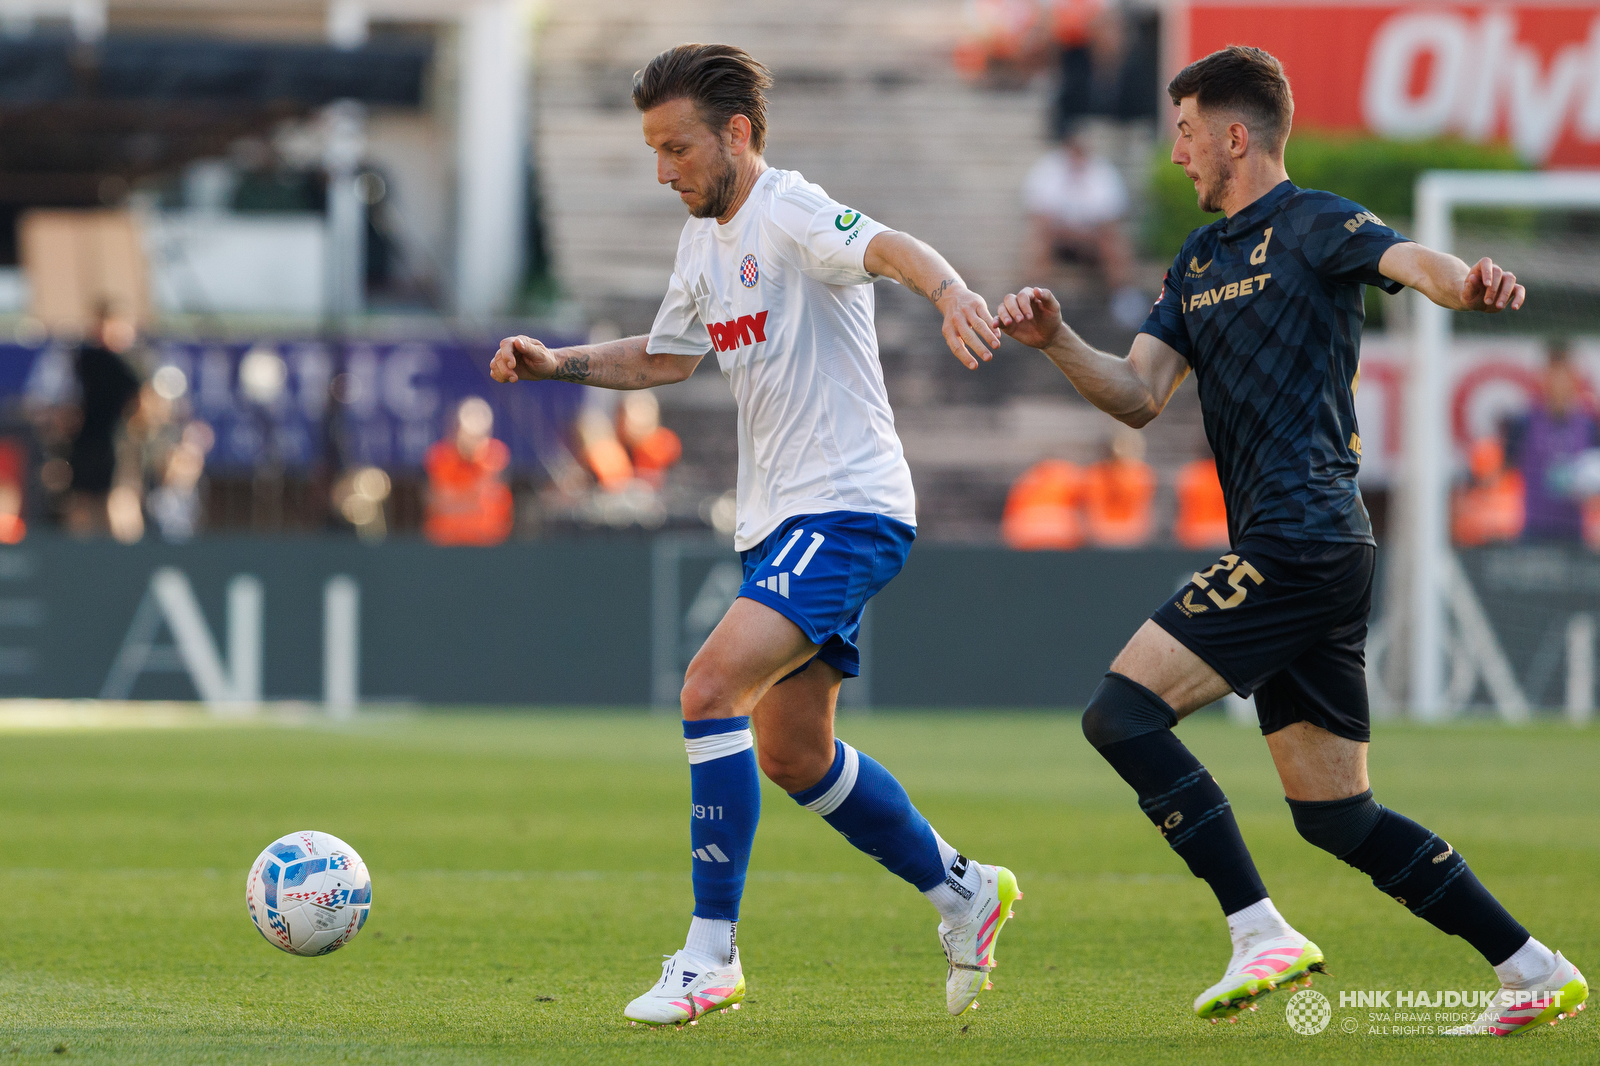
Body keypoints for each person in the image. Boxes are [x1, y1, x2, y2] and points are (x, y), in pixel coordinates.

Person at [994, 45, 1588, 1035]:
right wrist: (1055, 339)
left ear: (1235, 136)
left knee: (1120, 714)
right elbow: (1138, 394)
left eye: (1186, 133)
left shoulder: (1316, 222)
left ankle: (1256, 929)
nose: (1176, 153)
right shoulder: (1197, 261)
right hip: (1310, 549)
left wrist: (1468, 283)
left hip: (1301, 537)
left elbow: (1414, 264)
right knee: (1335, 816)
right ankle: (1532, 969)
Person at [490, 44, 1020, 1026]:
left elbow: (891, 245)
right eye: (653, 151)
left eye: (677, 148)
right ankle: (964, 889)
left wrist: (951, 294)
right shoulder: (703, 244)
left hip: (847, 507)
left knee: (707, 688)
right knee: (794, 753)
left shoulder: (789, 210)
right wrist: (557, 361)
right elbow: (664, 358)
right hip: (778, 521)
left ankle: (710, 956)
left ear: (736, 133)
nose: (663, 171)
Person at [1022, 121, 1146, 328]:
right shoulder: (1048, 169)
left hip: (1093, 241)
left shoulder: (1102, 172)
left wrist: (1083, 234)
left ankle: (1124, 298)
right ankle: (1036, 299)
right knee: (1039, 239)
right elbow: (1040, 217)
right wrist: (1072, 232)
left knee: (1113, 241)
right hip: (1059, 240)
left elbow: (1111, 221)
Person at [1503, 341, 1600, 543]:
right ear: (1544, 378)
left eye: (1564, 376)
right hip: (1534, 531)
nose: (1559, 383)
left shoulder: (1589, 427)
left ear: (1574, 379)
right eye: (1554, 375)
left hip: (1573, 532)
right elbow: (1505, 469)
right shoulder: (1524, 423)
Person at [423, 397, 513, 546]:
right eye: (467, 432)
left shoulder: (495, 455)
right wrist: (473, 498)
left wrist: (462, 499)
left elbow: (493, 503)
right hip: (447, 542)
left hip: (487, 541)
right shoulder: (440, 456)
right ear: (456, 430)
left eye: (478, 434)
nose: (472, 439)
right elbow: (441, 502)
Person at [1082, 425, 1155, 546]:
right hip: (1102, 540)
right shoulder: (1096, 475)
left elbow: (1142, 517)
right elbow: (1093, 516)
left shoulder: (1142, 475)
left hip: (1132, 539)